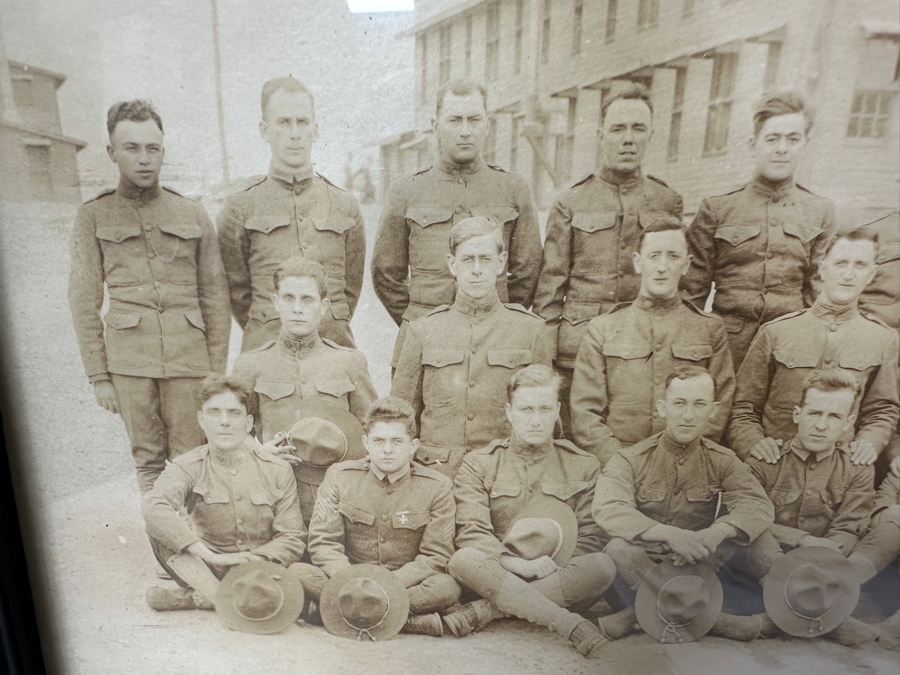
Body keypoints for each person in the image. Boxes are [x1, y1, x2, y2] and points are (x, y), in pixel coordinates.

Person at [68, 100, 231, 494]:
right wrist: (99, 377)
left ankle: (198, 547)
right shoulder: (93, 216)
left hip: (189, 359)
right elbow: (83, 299)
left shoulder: (191, 213)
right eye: (132, 148)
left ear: (163, 150)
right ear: (112, 152)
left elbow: (215, 298)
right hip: (130, 363)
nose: (144, 159)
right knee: (147, 462)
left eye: (152, 148)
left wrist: (215, 370)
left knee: (194, 460)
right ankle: (166, 549)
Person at [533, 80, 683, 435]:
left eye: (638, 129)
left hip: (642, 349)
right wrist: (545, 363)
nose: (628, 139)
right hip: (577, 352)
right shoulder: (570, 202)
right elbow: (550, 291)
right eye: (617, 129)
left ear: (650, 135)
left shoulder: (667, 201)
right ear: (601, 134)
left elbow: (678, 284)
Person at [592, 366, 775, 642]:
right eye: (679, 403)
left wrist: (716, 533)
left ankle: (640, 615)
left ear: (712, 411)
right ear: (663, 408)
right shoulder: (631, 459)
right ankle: (713, 620)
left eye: (699, 404)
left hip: (699, 563)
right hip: (645, 569)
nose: (688, 415)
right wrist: (669, 534)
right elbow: (609, 508)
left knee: (755, 535)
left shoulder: (722, 460)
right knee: (618, 549)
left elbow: (757, 505)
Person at [445, 365, 617, 659]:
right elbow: (472, 532)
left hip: (556, 577)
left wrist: (550, 571)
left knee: (602, 565)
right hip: (496, 573)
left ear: (556, 411)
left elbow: (591, 536)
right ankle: (568, 624)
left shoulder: (583, 465)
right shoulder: (480, 463)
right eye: (526, 409)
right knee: (462, 559)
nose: (536, 420)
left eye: (544, 408)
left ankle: (487, 613)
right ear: (509, 412)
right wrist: (518, 566)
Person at [372, 80, 542, 370]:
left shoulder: (513, 188)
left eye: (474, 119)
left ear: (487, 124)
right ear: (435, 124)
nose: (465, 130)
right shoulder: (406, 190)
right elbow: (385, 273)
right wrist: (419, 320)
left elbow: (528, 269)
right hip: (423, 344)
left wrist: (496, 314)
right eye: (454, 120)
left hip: (495, 345)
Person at [684, 91, 836, 369]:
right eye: (772, 138)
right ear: (753, 143)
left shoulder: (820, 211)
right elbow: (691, 295)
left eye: (793, 139)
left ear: (806, 143)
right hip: (726, 351)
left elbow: (818, 294)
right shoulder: (717, 208)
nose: (782, 148)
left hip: (790, 351)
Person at [391, 217, 553, 477]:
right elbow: (400, 418)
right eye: (467, 259)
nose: (476, 269)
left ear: (500, 263)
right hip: (438, 477)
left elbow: (543, 418)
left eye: (485, 259)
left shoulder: (530, 330)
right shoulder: (422, 331)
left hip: (504, 475)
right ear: (452, 265)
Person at [727, 230, 900, 466]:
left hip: (837, 474)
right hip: (773, 466)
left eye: (860, 265)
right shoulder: (777, 331)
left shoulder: (882, 338)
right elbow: (743, 406)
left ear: (871, 275)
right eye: (841, 263)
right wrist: (753, 443)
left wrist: (868, 443)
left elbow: (882, 410)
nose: (848, 274)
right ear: (823, 268)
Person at [570, 219, 734, 465]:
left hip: (686, 466)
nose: (662, 267)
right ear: (637, 262)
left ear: (687, 264)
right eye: (654, 256)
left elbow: (718, 409)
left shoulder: (709, 329)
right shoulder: (603, 328)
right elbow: (585, 414)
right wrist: (620, 463)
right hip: (617, 466)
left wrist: (681, 458)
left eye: (673, 256)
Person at [217, 77, 365, 352]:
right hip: (267, 351)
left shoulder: (345, 205)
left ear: (316, 130)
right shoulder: (239, 207)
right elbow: (238, 293)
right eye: (284, 123)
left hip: (332, 349)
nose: (295, 133)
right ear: (264, 130)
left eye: (303, 122)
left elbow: (349, 291)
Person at [297, 397, 461, 637]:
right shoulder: (340, 477)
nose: (387, 450)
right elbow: (324, 543)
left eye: (397, 441)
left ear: (413, 445)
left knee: (447, 588)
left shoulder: (437, 486)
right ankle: (410, 622)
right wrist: (351, 579)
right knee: (298, 572)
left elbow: (435, 555)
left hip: (404, 583)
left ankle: (333, 613)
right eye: (379, 440)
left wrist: (389, 585)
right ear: (366, 443)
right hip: (349, 577)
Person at [142, 375, 307, 612]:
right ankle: (219, 595)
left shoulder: (277, 468)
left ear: (249, 423)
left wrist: (253, 559)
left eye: (234, 413)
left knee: (300, 573)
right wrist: (211, 557)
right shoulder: (188, 466)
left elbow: (292, 536)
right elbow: (154, 505)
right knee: (158, 527)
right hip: (206, 566)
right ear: (201, 419)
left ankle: (202, 597)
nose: (224, 422)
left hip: (260, 567)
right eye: (214, 413)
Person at [743, 370, 879, 645]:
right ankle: (825, 616)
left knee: (869, 538)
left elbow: (848, 528)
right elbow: (748, 519)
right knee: (755, 532)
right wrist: (802, 540)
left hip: (824, 567)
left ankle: (795, 611)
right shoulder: (764, 462)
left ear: (848, 422)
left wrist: (821, 553)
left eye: (834, 417)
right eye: (815, 413)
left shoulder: (856, 469)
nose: (821, 425)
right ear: (797, 414)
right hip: (763, 569)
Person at [231, 256, 376, 435]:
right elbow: (236, 433)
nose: (297, 308)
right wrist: (263, 454)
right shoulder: (250, 365)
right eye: (289, 298)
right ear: (276, 302)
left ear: (323, 307)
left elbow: (371, 430)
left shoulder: (350, 362)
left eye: (307, 299)